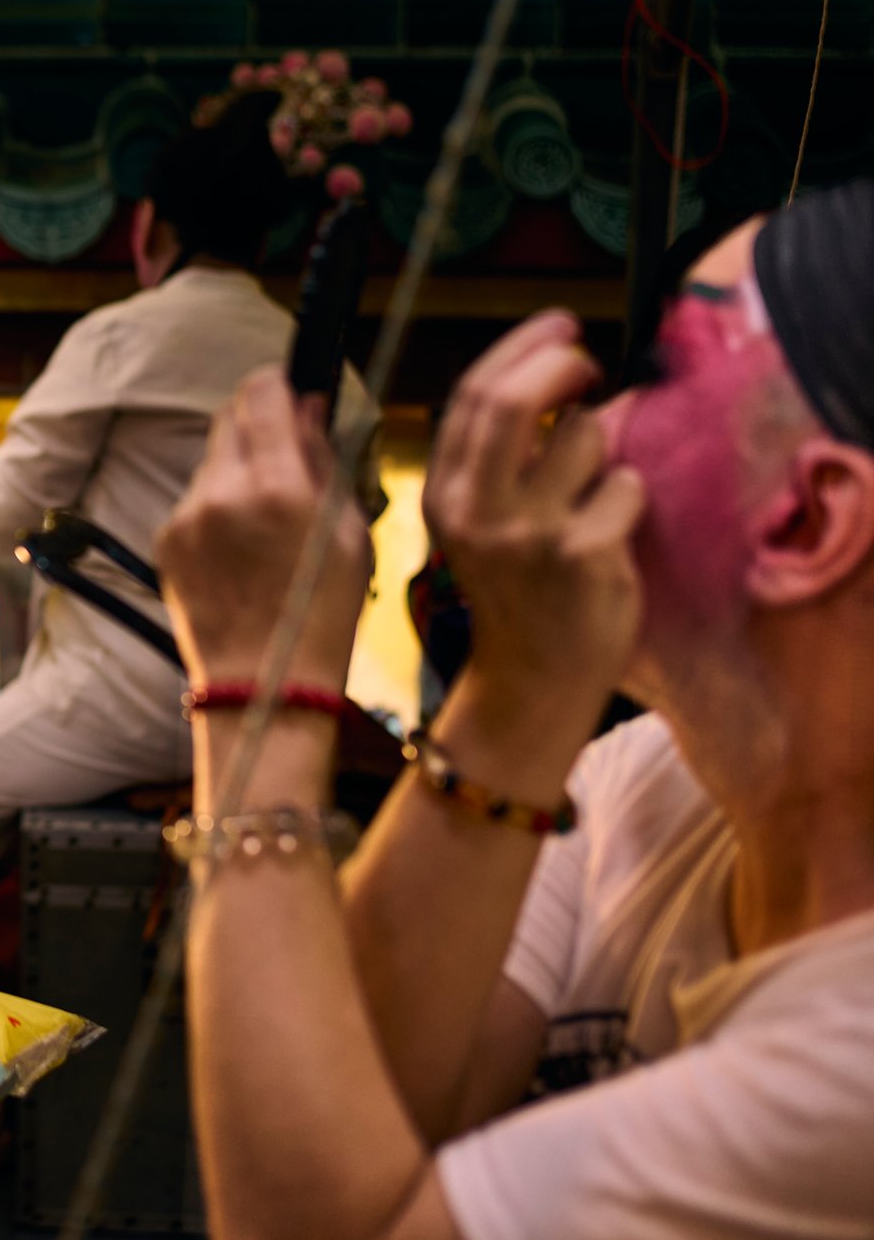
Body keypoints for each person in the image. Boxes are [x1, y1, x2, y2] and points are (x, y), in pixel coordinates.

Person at [153, 177, 874, 1238]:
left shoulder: (848, 1061)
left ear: (804, 520)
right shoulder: (643, 783)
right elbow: (358, 1106)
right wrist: (521, 679)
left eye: (655, 373)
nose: (592, 421)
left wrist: (259, 695)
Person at [0, 94, 380, 969]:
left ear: (152, 227)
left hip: (127, 698)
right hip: (276, 702)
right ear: (262, 240)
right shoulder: (337, 379)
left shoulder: (125, 338)